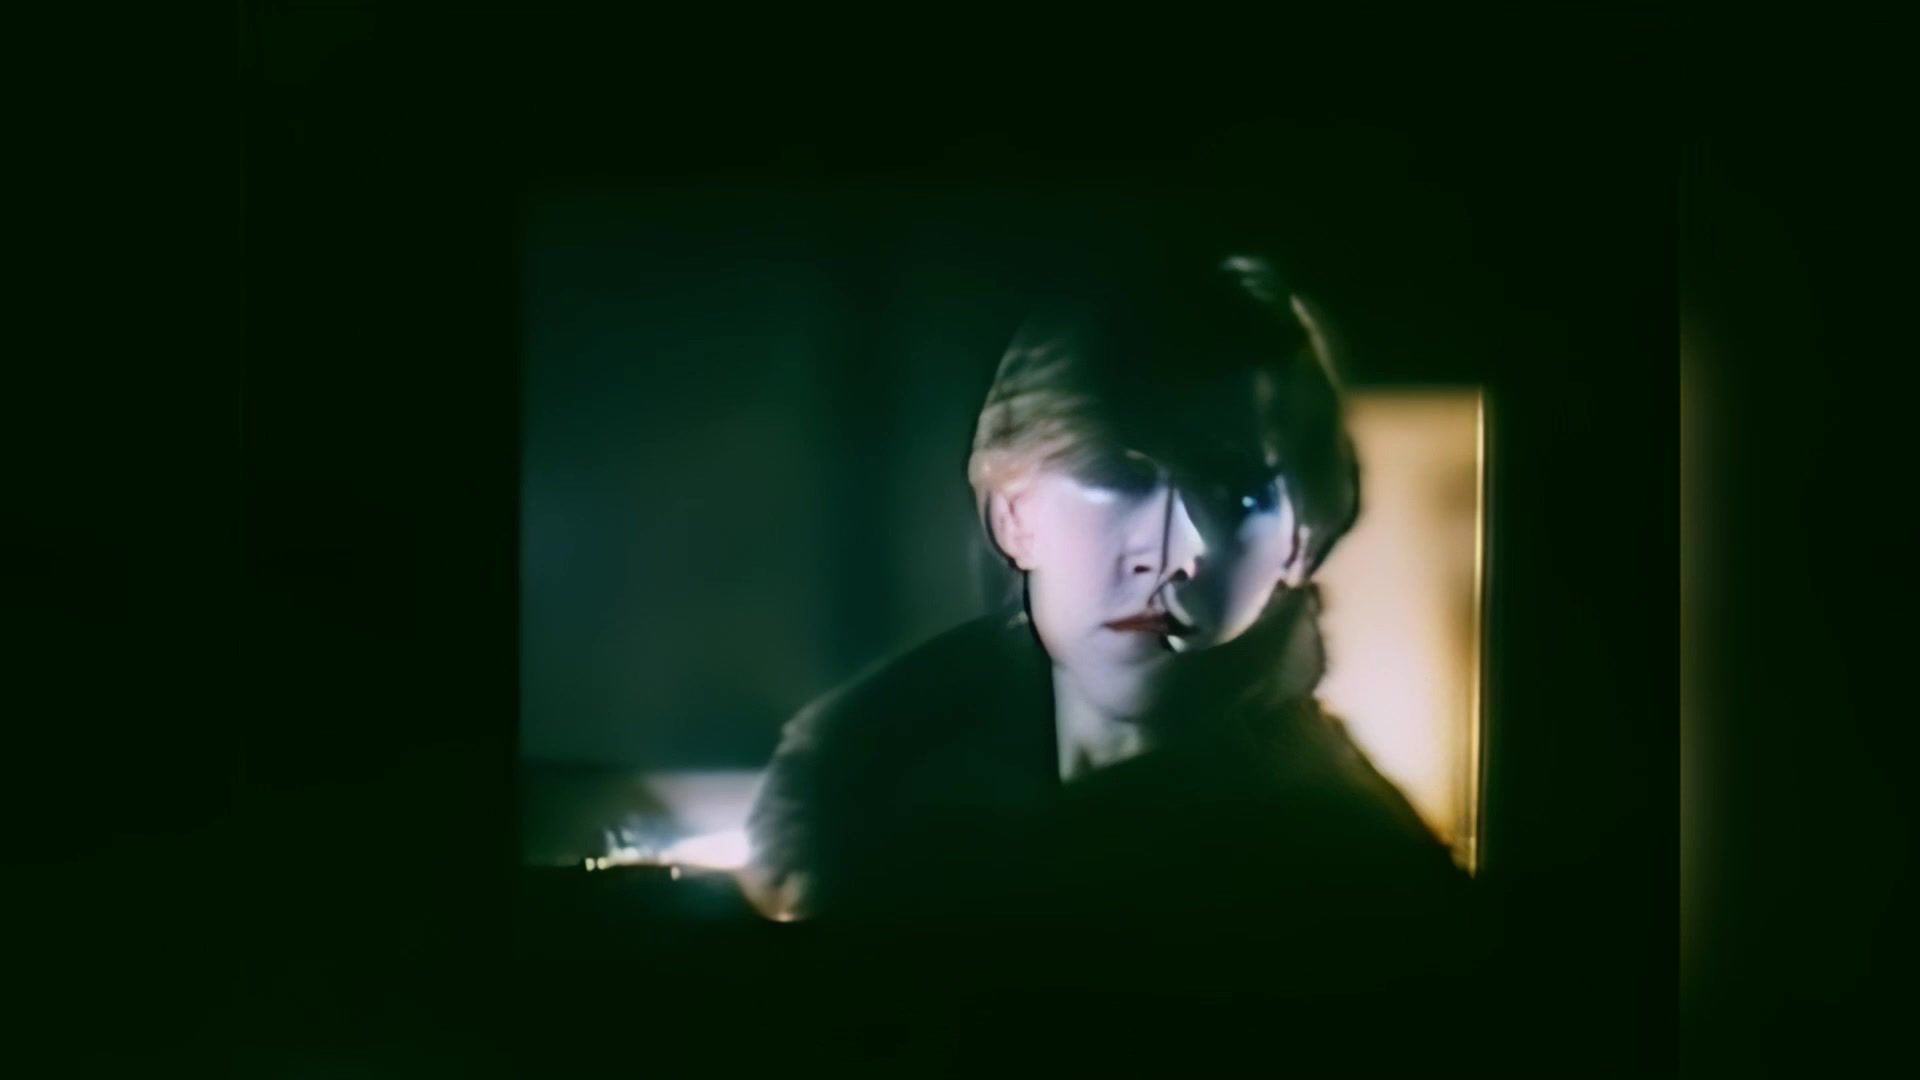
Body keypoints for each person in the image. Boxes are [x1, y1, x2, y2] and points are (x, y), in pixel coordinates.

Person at [740, 246, 1475, 1011]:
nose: (1176, 553)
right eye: (1119, 475)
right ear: (1014, 516)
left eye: (1234, 490)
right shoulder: (867, 809)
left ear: (1302, 540)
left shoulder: (1364, 889)